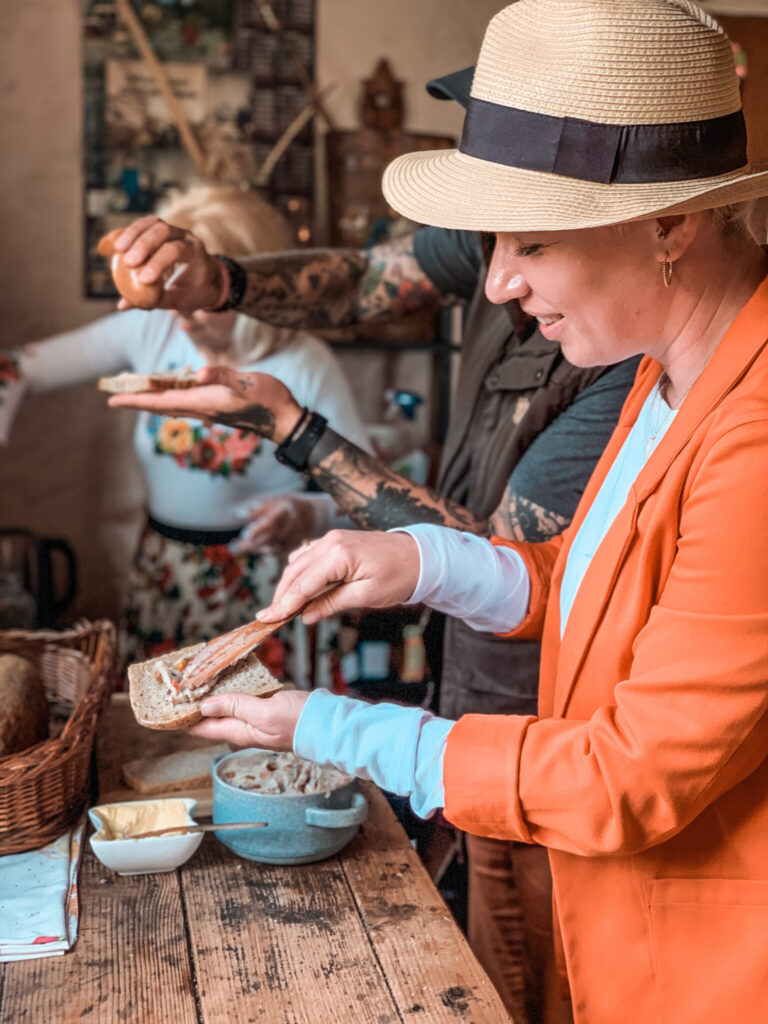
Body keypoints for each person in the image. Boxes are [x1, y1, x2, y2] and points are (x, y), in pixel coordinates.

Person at [113, 1, 768, 1021]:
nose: (497, 282)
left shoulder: (752, 435)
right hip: (607, 904)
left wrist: (329, 726)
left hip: (702, 962)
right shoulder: (665, 369)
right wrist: (426, 562)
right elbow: (595, 589)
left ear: (671, 226)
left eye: (532, 245)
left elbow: (627, 776)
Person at [0, 184, 371, 668]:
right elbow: (21, 367)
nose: (179, 310)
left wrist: (305, 513)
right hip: (165, 574)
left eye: (198, 292)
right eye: (169, 289)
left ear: (247, 282)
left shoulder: (305, 362)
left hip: (262, 585)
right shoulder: (152, 327)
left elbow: (366, 497)